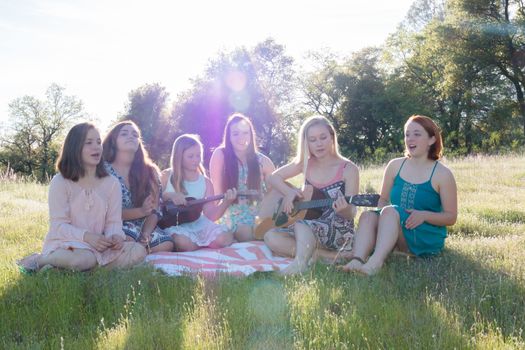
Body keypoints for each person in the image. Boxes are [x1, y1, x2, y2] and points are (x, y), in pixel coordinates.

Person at [16, 122, 147, 272]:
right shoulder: (60, 181)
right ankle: (41, 259)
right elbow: (58, 226)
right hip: (67, 244)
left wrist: (115, 237)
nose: (96, 147)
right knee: (84, 258)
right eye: (89, 143)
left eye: (98, 142)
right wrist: (86, 237)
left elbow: (113, 222)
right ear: (75, 148)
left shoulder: (112, 183)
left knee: (137, 251)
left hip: (99, 246)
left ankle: (71, 270)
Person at [341, 115, 457, 275]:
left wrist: (423, 215)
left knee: (390, 211)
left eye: (417, 134)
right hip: (394, 228)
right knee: (368, 216)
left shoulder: (442, 174)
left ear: (431, 139)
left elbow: (451, 217)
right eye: (407, 134)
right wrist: (382, 219)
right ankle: (357, 260)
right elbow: (383, 200)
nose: (410, 139)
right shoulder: (395, 166)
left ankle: (375, 262)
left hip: (424, 234)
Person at [264, 115, 359, 275]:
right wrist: (290, 193)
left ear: (332, 137)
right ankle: (330, 257)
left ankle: (300, 264)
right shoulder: (305, 163)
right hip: (309, 227)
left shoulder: (348, 168)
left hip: (337, 230)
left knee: (301, 223)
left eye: (323, 137)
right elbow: (273, 177)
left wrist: (343, 209)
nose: (319, 143)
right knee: (270, 236)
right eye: (312, 139)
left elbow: (352, 213)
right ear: (306, 142)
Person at [102, 121, 174, 253]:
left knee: (166, 244)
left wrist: (145, 234)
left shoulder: (150, 171)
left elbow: (155, 210)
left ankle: (137, 250)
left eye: (135, 135)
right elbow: (105, 212)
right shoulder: (102, 170)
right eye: (124, 134)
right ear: (113, 141)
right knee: (126, 238)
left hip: (144, 225)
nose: (131, 136)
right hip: (114, 224)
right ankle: (135, 251)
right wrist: (140, 211)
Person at [160, 134, 236, 251]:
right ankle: (200, 245)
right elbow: (157, 201)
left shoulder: (206, 182)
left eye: (198, 155)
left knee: (224, 238)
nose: (196, 159)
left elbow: (210, 215)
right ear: (179, 157)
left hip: (198, 223)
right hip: (175, 226)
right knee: (182, 242)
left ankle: (197, 245)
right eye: (190, 156)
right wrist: (171, 195)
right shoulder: (166, 176)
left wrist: (226, 202)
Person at [209, 113, 275, 241]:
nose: (241, 138)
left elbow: (273, 195)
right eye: (235, 133)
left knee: (267, 231)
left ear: (251, 135)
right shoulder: (220, 155)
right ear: (228, 136)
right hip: (231, 212)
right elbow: (216, 195)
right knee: (246, 233)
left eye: (245, 133)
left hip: (259, 213)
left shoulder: (262, 161)